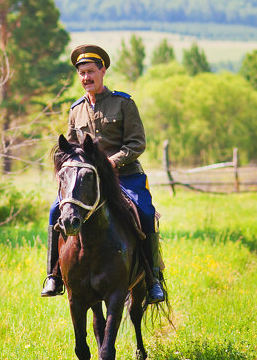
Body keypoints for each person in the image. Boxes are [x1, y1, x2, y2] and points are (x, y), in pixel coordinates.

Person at [41, 44, 167, 303]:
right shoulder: (75, 109)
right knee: (56, 211)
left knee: (144, 212)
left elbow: (136, 143)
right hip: (87, 181)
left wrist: (112, 162)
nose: (86, 78)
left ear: (103, 71)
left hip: (125, 176)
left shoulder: (124, 103)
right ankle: (53, 275)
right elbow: (73, 147)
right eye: (81, 73)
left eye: (90, 71)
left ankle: (152, 278)